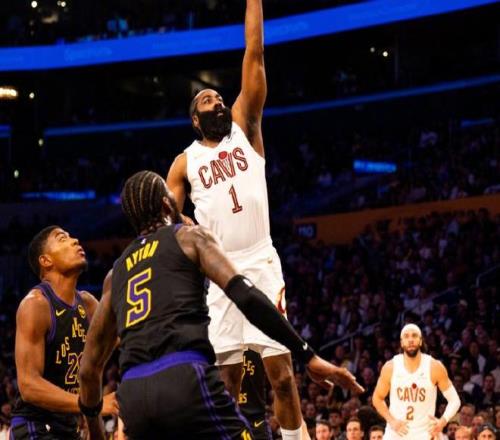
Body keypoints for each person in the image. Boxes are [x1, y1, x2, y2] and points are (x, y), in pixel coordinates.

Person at [78, 171, 364, 440]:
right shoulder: (189, 237)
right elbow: (246, 296)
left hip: (134, 394)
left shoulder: (115, 274)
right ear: (167, 204)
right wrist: (307, 355)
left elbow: (89, 369)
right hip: (184, 377)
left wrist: (95, 431)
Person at [166, 0, 312, 437]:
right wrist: (188, 228)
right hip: (219, 274)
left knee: (281, 375)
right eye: (207, 100)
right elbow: (164, 217)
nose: (217, 100)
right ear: (196, 120)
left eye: (218, 97)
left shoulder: (245, 127)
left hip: (260, 262)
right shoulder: (184, 162)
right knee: (225, 383)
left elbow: (254, 50)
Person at [10, 226, 117, 439]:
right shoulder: (36, 305)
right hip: (34, 426)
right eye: (62, 238)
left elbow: (120, 339)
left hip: (69, 426)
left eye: (71, 237)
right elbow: (29, 386)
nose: (75, 240)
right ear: (46, 261)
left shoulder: (87, 304)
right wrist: (91, 405)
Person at [372, 324, 461, 439]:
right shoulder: (390, 367)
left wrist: (442, 422)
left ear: (420, 341)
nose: (410, 340)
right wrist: (392, 421)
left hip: (423, 434)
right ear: (401, 342)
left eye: (414, 336)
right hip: (395, 434)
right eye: (406, 336)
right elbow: (377, 398)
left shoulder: (434, 367)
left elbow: (455, 400)